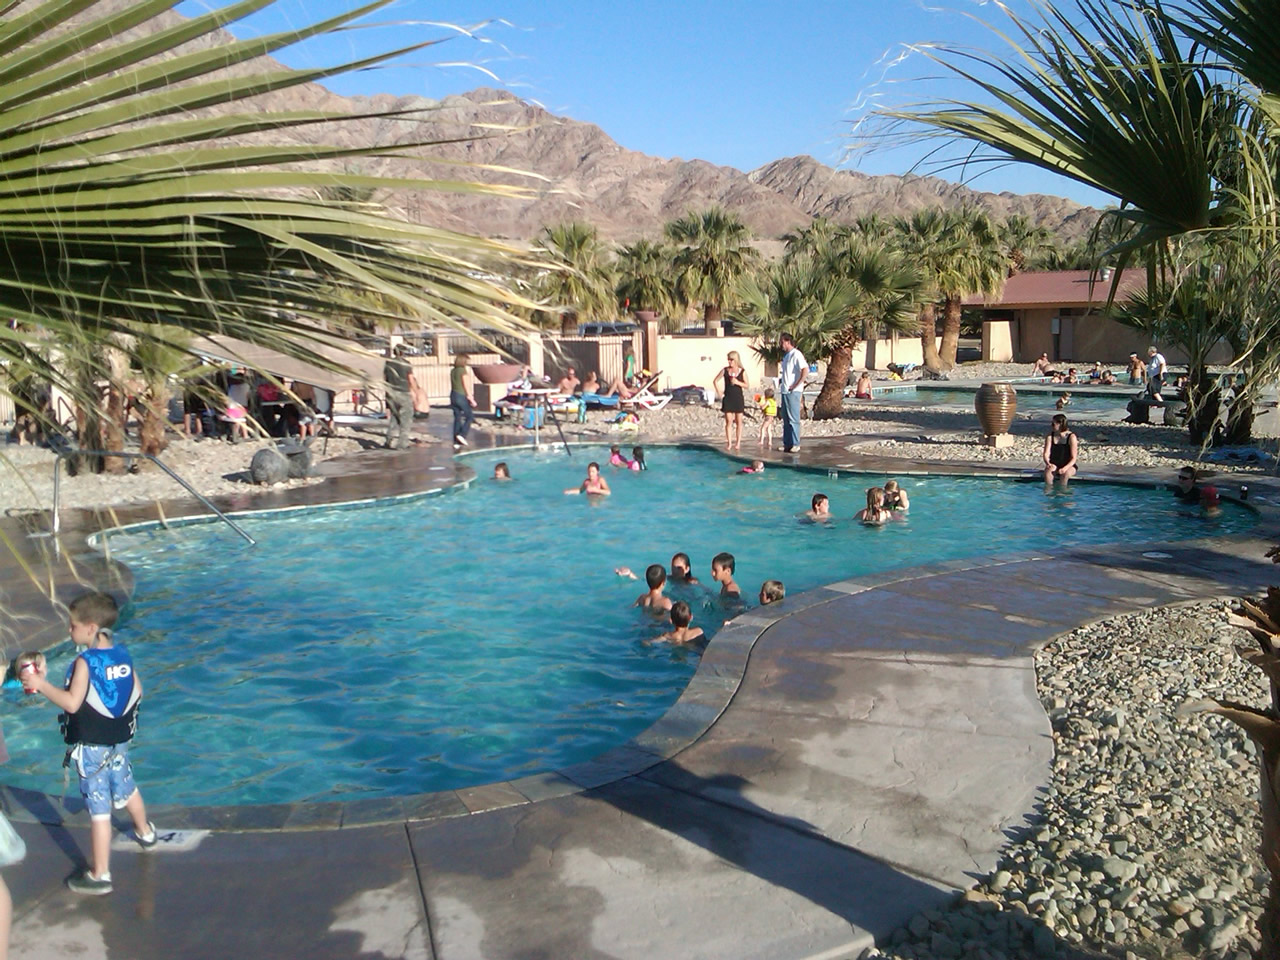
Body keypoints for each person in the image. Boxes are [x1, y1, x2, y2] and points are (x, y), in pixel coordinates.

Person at [25, 593, 156, 895]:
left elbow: (72, 704)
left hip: (93, 747)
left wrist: (42, 685)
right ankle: (145, 833)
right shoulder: (123, 655)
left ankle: (100, 874)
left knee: (99, 809)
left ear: (90, 627)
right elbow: (137, 690)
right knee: (126, 785)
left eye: (72, 626)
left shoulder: (85, 662)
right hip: (119, 741)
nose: (69, 631)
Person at [383, 344, 417, 451]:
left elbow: (385, 379)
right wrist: (416, 393)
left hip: (391, 393)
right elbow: (411, 380)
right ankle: (402, 443)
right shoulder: (406, 364)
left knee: (394, 416)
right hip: (403, 393)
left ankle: (389, 439)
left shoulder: (388, 363)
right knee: (406, 419)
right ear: (403, 353)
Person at [777, 332, 806, 453]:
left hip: (793, 391)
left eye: (782, 342)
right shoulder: (786, 356)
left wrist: (796, 384)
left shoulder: (796, 354)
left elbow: (805, 369)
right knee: (786, 418)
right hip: (785, 391)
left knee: (794, 418)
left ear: (788, 342)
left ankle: (796, 443)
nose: (781, 345)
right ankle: (787, 443)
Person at [713, 351, 748, 451]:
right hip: (728, 398)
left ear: (736, 360)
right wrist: (719, 391)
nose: (729, 361)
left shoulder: (742, 371)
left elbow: (747, 385)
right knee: (729, 421)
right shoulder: (725, 370)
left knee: (739, 422)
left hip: (738, 398)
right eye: (728, 359)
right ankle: (729, 442)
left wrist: (737, 382)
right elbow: (715, 380)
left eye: (731, 360)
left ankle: (738, 442)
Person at [1042, 413, 1079, 486]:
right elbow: (1046, 453)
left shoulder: (1071, 437)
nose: (1051, 426)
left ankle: (1062, 492)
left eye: (1053, 424)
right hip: (1054, 463)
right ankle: (1048, 491)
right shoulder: (1050, 436)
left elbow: (1073, 458)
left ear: (1060, 424)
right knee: (1048, 473)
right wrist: (1048, 463)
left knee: (1065, 474)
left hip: (1068, 465)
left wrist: (1065, 468)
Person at [450, 353, 476, 448]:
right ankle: (462, 435)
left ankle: (456, 441)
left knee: (457, 417)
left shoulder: (453, 371)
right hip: (461, 395)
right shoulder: (462, 371)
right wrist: (471, 398)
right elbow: (465, 385)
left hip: (453, 394)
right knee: (469, 417)